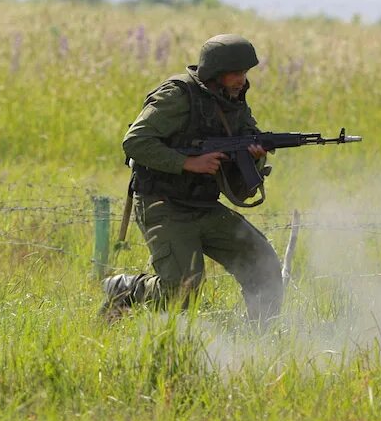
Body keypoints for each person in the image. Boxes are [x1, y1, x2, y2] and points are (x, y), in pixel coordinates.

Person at [100, 34, 283, 324]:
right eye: (236, 73)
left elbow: (247, 145)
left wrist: (256, 155)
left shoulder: (233, 103)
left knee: (264, 265)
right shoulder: (177, 95)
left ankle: (260, 337)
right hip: (164, 203)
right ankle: (126, 289)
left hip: (204, 205)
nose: (242, 80)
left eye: (245, 73)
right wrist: (188, 162)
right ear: (216, 73)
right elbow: (136, 141)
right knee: (181, 290)